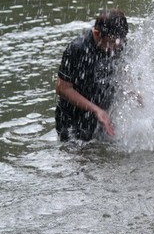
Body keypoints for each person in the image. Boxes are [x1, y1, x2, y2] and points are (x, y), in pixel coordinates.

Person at [55, 8, 129, 142]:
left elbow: (121, 71)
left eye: (119, 42)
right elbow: (62, 88)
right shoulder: (76, 49)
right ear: (96, 33)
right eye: (112, 42)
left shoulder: (119, 43)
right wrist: (96, 110)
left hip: (103, 116)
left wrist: (131, 90)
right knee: (79, 159)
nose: (116, 47)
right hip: (73, 119)